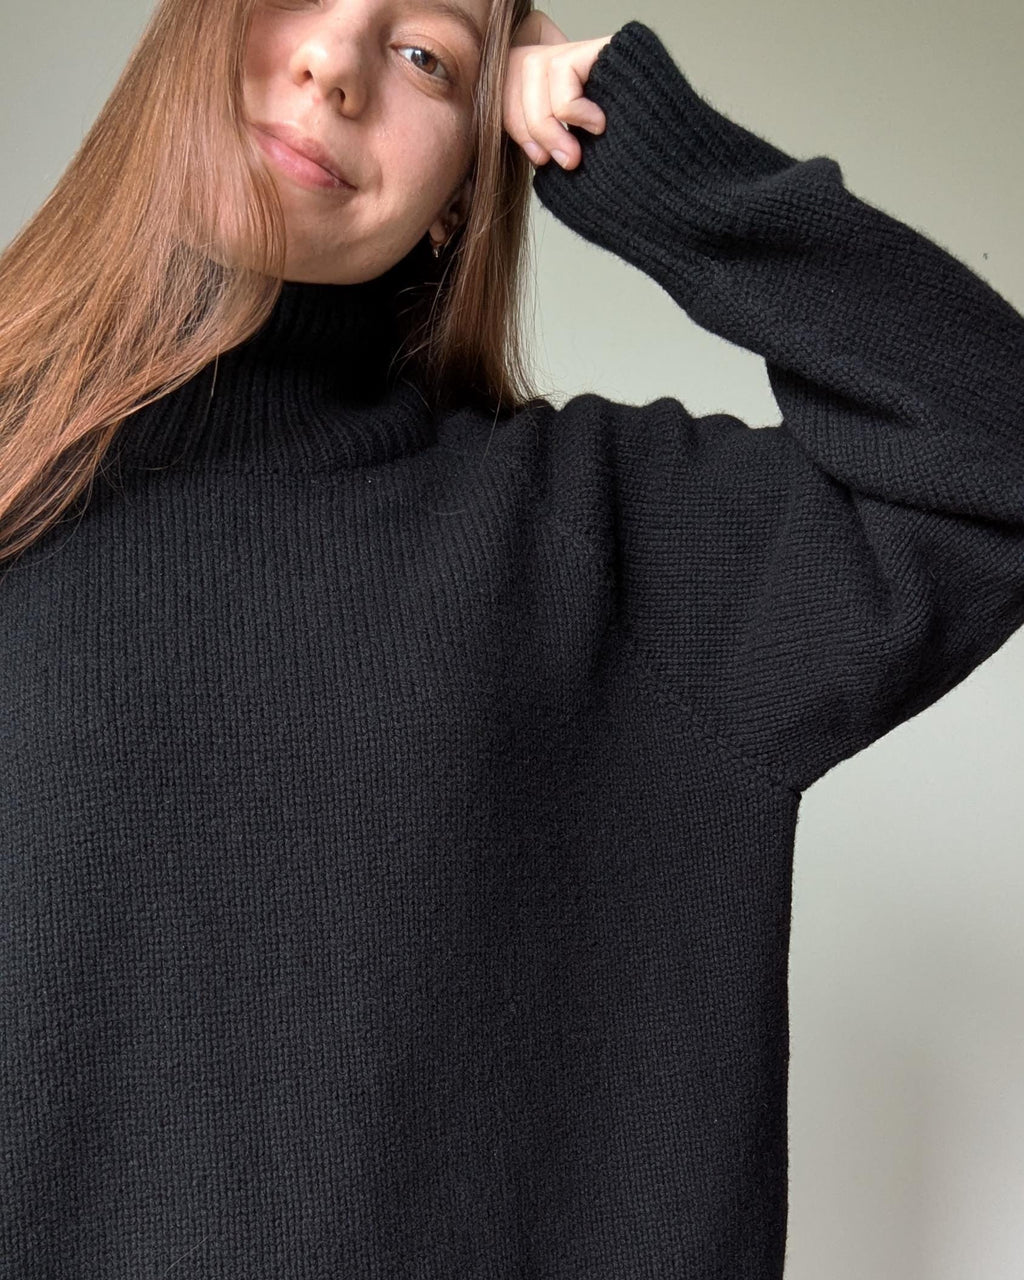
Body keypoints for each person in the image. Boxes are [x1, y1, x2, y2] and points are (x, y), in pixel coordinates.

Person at [1, 2, 1021, 1277]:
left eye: (427, 54)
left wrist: (638, 146)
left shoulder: (584, 544)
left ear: (458, 192)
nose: (335, 63)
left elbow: (998, 455)